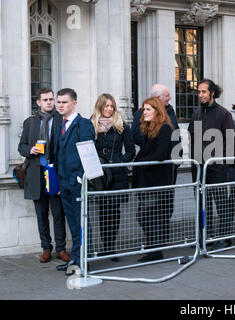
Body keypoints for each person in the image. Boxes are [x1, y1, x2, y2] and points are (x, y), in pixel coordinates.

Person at [18, 88, 70, 264]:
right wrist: (29, 150)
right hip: (35, 172)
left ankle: (61, 249)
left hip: (54, 172)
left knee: (58, 213)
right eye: (45, 100)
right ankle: (46, 248)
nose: (50, 102)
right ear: (38, 102)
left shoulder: (60, 120)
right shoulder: (30, 122)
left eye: (51, 99)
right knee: (41, 214)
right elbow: (21, 145)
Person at [188, 79, 234, 250]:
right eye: (199, 92)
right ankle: (204, 236)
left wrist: (221, 162)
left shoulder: (223, 114)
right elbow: (192, 137)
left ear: (212, 93)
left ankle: (224, 238)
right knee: (201, 203)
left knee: (220, 203)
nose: (200, 95)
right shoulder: (196, 113)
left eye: (204, 92)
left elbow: (230, 142)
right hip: (198, 167)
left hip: (217, 167)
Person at [54, 88, 95, 271]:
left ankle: (83, 260)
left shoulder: (83, 124)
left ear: (74, 103)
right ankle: (75, 258)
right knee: (72, 222)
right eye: (59, 102)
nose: (60, 105)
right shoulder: (59, 125)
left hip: (78, 182)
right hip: (64, 183)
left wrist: (80, 178)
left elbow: (87, 152)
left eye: (64, 102)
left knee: (81, 222)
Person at [90, 94, 135, 260]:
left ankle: (110, 247)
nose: (109, 109)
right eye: (106, 106)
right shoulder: (91, 124)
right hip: (100, 175)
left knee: (114, 211)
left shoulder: (121, 124)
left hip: (117, 173)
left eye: (111, 106)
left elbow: (131, 150)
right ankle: (104, 246)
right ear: (100, 106)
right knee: (103, 210)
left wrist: (119, 162)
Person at [134, 97, 173, 262]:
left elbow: (161, 154)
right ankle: (153, 248)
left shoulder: (164, 128)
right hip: (146, 179)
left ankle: (155, 250)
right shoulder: (148, 128)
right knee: (146, 215)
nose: (144, 112)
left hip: (156, 180)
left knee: (147, 215)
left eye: (148, 109)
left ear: (157, 111)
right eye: (144, 109)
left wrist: (142, 163)